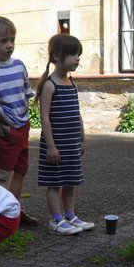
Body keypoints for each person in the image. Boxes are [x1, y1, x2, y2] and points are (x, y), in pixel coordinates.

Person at [35, 33, 94, 236]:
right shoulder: (50, 85)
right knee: (54, 182)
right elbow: (45, 118)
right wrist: (51, 146)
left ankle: (70, 215)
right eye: (73, 54)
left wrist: (83, 138)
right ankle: (56, 219)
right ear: (57, 56)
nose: (77, 59)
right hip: (56, 145)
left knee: (70, 180)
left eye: (79, 55)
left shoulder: (72, 83)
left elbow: (77, 114)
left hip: (71, 143)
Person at [0, 16, 38, 227]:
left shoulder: (19, 65)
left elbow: (26, 94)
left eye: (12, 39)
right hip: (4, 129)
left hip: (22, 127)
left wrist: (23, 120)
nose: (10, 45)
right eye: (3, 40)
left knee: (21, 169)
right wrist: (5, 118)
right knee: (1, 174)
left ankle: (14, 211)